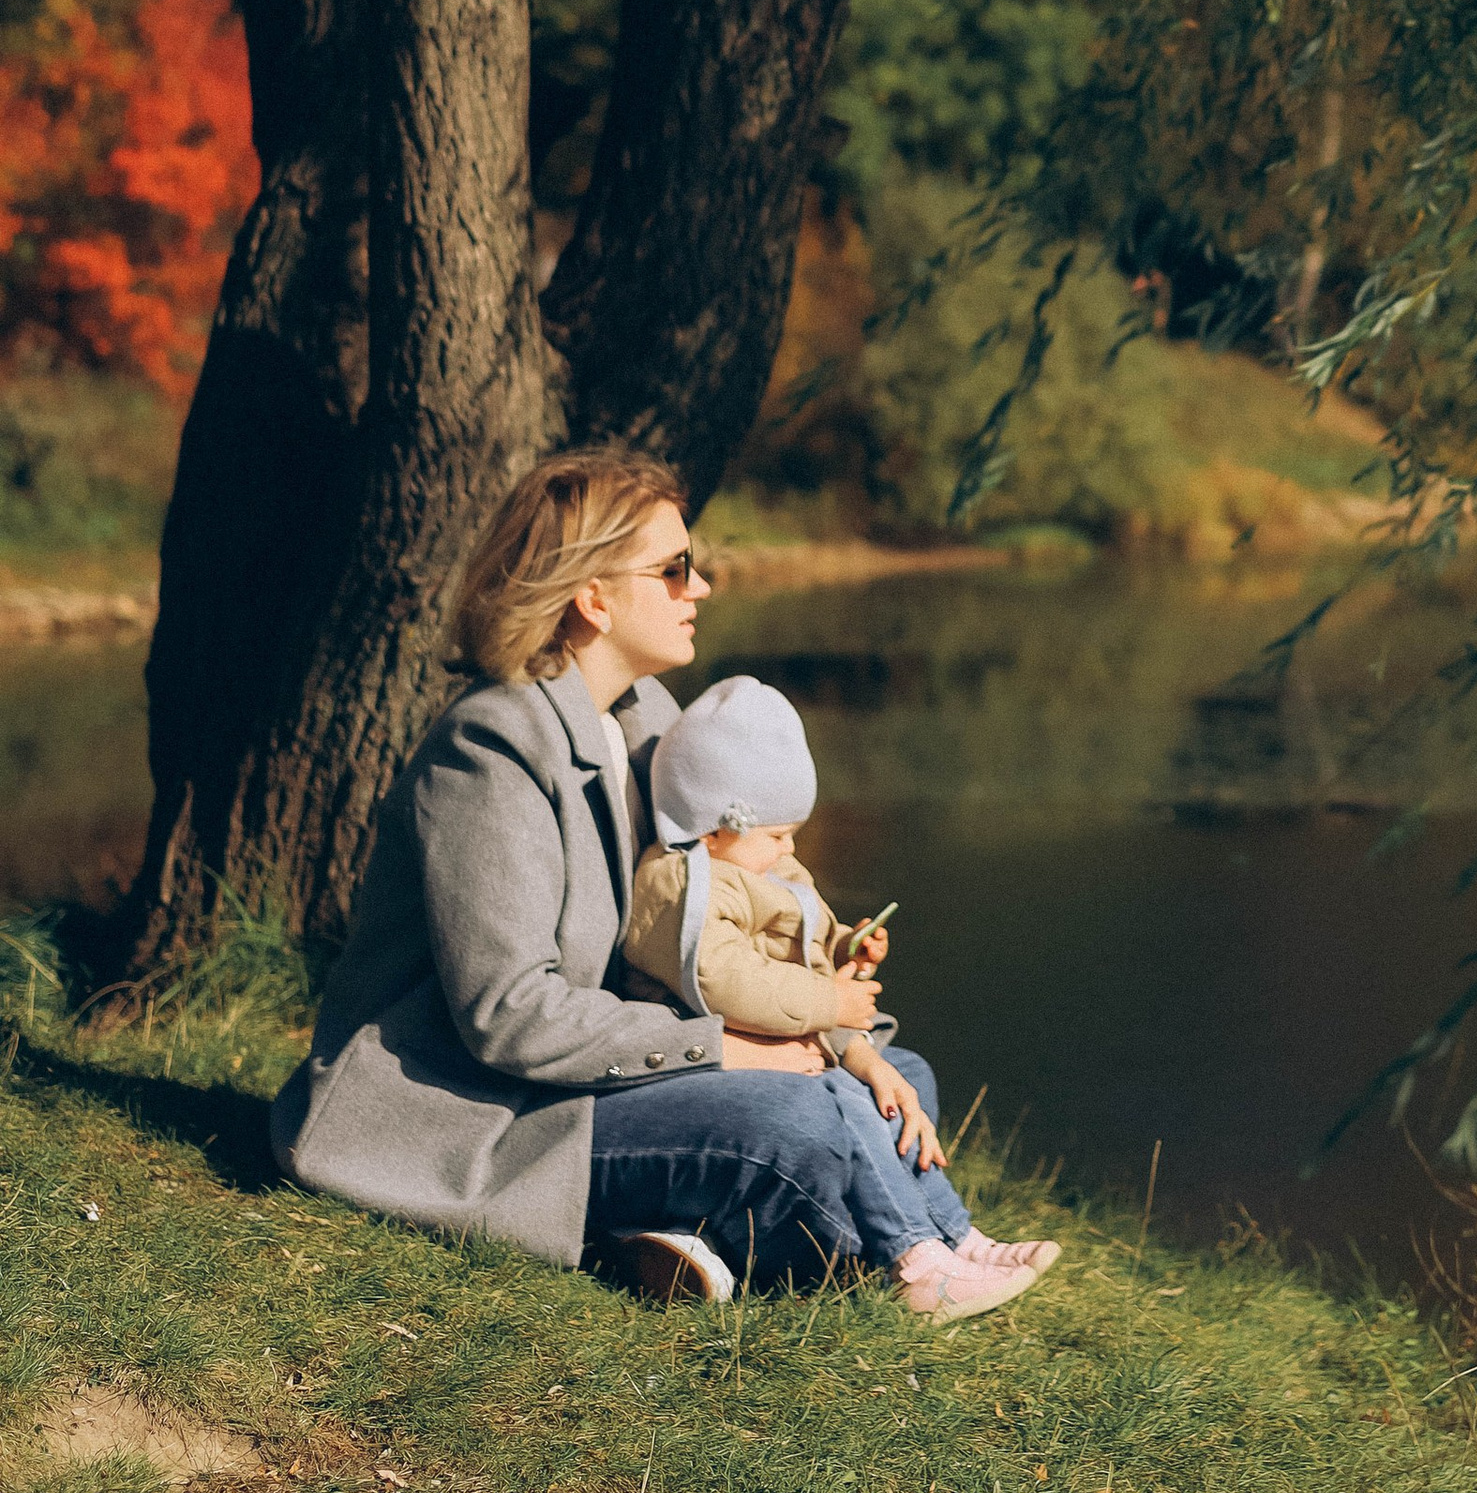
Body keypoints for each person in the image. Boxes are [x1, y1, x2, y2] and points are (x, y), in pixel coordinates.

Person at [269, 448, 1049, 1318]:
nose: (701, 586)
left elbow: (709, 912)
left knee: (896, 1079)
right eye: (674, 568)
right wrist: (733, 1048)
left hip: (604, 1077)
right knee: (804, 1125)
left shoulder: (647, 723)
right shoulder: (490, 751)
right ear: (592, 597)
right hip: (491, 1107)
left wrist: (820, 981)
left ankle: (677, 1242)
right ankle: (824, 1248)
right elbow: (510, 1017)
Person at [623, 670, 1057, 1320]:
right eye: (777, 833)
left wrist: (847, 947)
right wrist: (831, 1004)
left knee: (903, 1074)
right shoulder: (682, 883)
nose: (790, 847)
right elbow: (727, 980)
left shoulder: (756, 864)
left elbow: (793, 952)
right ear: (715, 825)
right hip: (698, 1073)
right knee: (838, 1096)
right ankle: (916, 1262)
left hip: (780, 1043)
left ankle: (953, 1235)